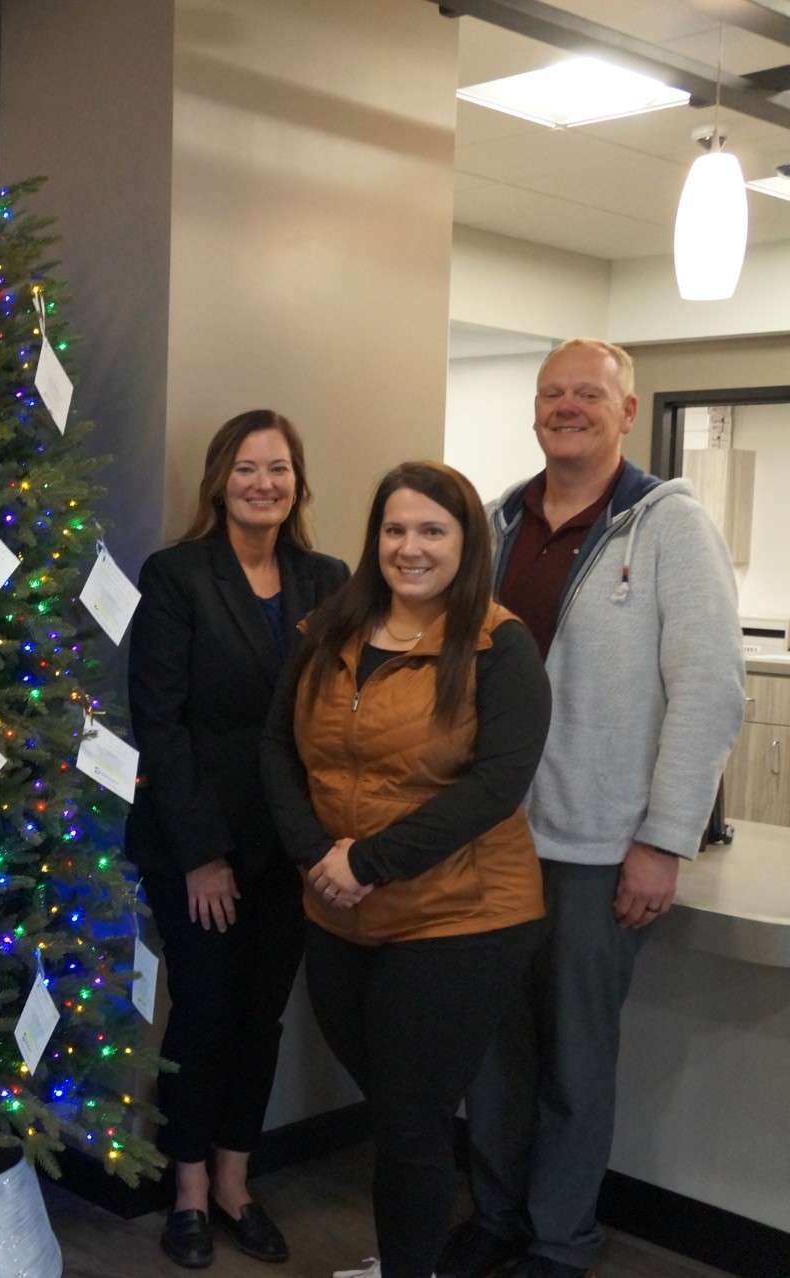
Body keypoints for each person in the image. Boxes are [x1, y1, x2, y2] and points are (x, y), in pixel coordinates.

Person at [440, 340, 745, 1278]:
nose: (566, 407)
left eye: (588, 394)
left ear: (625, 409)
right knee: (494, 1054)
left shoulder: (666, 525)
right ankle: (495, 1215)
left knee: (575, 1062)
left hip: (596, 848)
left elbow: (710, 691)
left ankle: (560, 1242)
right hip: (491, 843)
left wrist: (663, 839)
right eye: (551, 394)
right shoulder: (495, 523)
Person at [261, 461, 552, 1278]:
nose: (410, 547)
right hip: (339, 908)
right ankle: (402, 1261)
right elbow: (278, 748)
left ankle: (408, 1268)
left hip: (461, 916)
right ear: (374, 538)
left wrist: (370, 860)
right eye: (395, 529)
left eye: (432, 531)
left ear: (466, 543)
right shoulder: (326, 630)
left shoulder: (501, 645)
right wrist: (319, 856)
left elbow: (498, 784)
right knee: (392, 1106)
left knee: (412, 1120)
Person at [127, 410, 347, 1269]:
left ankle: (234, 1182)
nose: (265, 484)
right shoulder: (177, 575)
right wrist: (202, 854)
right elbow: (161, 724)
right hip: (198, 850)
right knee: (205, 1017)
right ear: (222, 479)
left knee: (262, 1022)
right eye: (249, 469)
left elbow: (334, 714)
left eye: (280, 469)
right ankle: (184, 1192)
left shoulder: (326, 578)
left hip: (290, 847)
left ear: (298, 483)